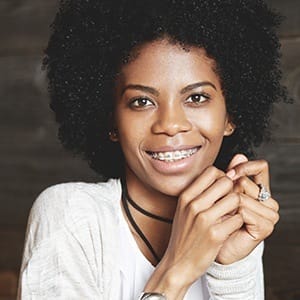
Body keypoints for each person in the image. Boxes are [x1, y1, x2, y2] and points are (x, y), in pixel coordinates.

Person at [18, 0, 289, 299]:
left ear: (231, 115)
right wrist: (176, 272)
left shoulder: (232, 226)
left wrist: (232, 268)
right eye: (142, 102)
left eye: (196, 98)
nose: (171, 125)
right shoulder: (70, 215)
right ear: (111, 121)